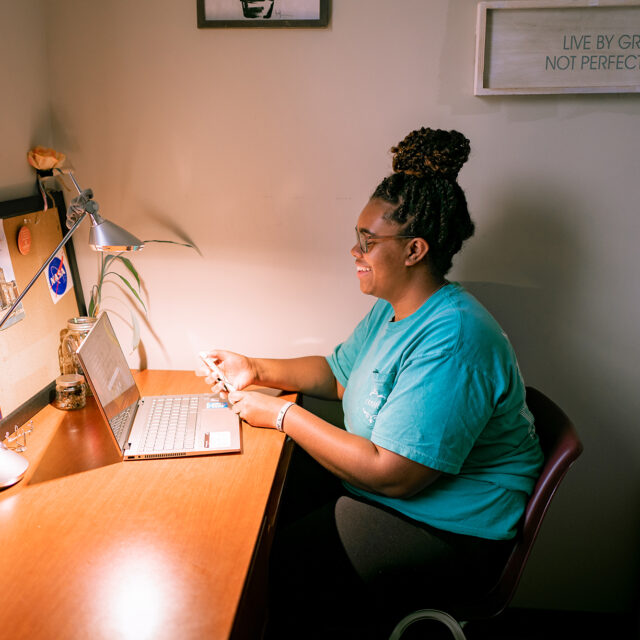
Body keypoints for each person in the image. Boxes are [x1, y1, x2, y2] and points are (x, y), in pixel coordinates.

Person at [205, 127, 544, 638]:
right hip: (394, 492)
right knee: (253, 512)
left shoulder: (454, 339)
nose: (353, 251)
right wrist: (254, 367)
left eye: (368, 241)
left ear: (414, 251)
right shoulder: (394, 311)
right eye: (357, 237)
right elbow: (339, 376)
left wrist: (280, 414)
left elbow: (394, 475)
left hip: (452, 528)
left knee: (275, 565)